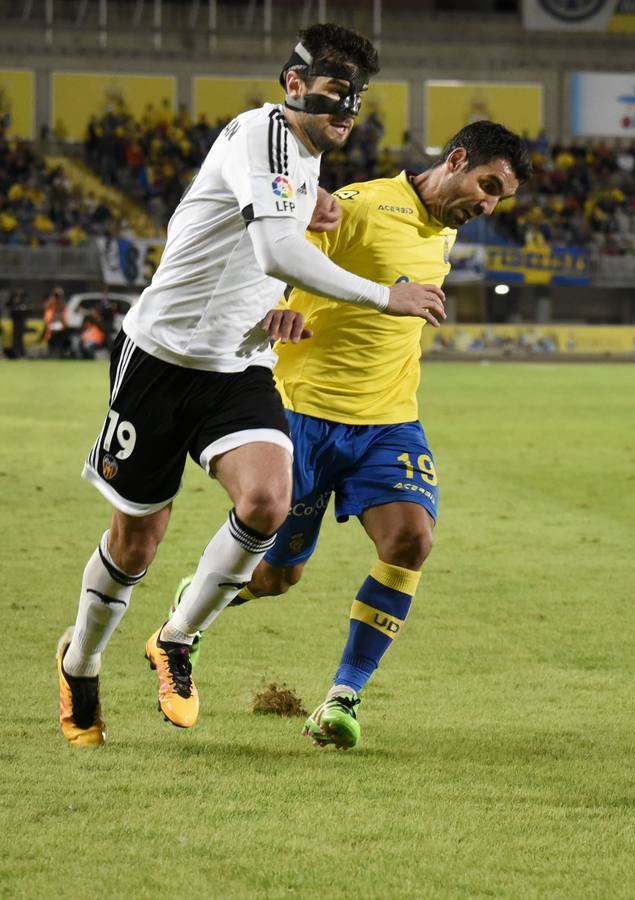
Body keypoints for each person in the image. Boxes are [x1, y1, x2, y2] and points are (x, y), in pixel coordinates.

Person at [56, 22, 447, 748]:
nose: (343, 113)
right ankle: (80, 660)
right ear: (292, 84)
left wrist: (296, 251)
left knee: (267, 500)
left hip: (239, 366)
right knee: (136, 542)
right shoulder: (261, 135)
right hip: (162, 360)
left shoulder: (300, 160)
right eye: (332, 93)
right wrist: (382, 295)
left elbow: (269, 244)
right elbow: (272, 246)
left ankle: (177, 638)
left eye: (355, 101)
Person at [175, 121, 532, 749]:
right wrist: (274, 310)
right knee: (277, 576)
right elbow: (271, 257)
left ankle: (343, 698)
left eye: (500, 196)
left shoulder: (445, 228)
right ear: (455, 159)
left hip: (390, 422)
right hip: (305, 416)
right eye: (487, 185)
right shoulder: (360, 207)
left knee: (412, 540)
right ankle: (192, 611)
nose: (489, 204)